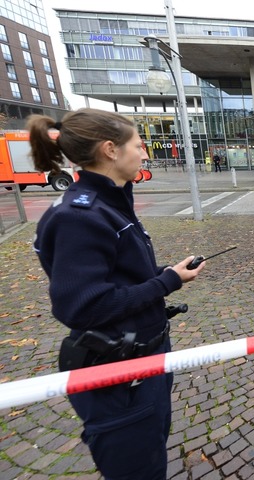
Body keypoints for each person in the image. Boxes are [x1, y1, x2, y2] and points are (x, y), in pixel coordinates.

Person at [28, 109, 206, 480]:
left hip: (143, 361)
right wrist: (166, 283)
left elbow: (119, 278)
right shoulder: (80, 216)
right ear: (110, 149)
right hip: (119, 374)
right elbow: (83, 306)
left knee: (152, 450)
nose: (144, 154)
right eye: (138, 146)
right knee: (139, 469)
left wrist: (165, 274)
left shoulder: (110, 204)